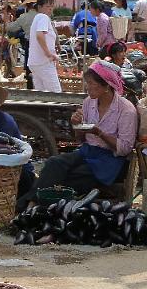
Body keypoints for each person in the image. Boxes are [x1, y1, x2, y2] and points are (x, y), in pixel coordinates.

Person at [17, 61, 137, 212]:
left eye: (91, 83)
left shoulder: (126, 110)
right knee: (54, 163)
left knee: (68, 178)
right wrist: (77, 125)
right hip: (87, 151)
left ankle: (27, 207)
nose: (87, 87)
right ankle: (31, 206)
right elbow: (80, 139)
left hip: (109, 160)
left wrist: (100, 133)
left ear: (106, 86)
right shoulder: (89, 103)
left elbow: (125, 149)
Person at [27, 0, 61, 93]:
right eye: (47, 6)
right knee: (56, 93)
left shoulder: (38, 18)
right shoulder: (43, 17)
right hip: (44, 62)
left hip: (35, 62)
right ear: (40, 7)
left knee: (41, 94)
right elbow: (39, 35)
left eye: (51, 7)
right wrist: (48, 53)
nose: (50, 9)